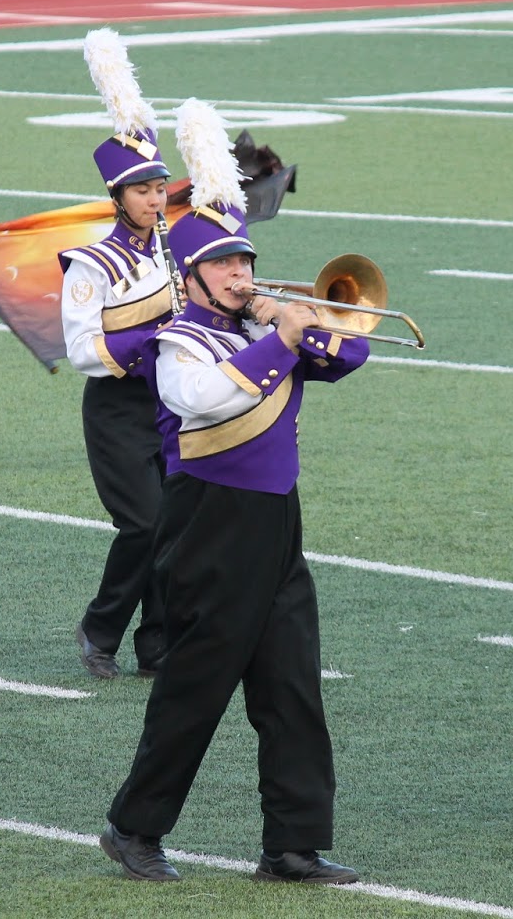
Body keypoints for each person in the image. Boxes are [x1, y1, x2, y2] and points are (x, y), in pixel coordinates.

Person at [99, 99, 364, 885]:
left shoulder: (260, 329)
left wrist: (306, 322)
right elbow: (205, 401)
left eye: (245, 263)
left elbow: (350, 361)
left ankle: (293, 843)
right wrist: (280, 339)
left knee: (292, 689)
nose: (243, 276)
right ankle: (133, 827)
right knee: (195, 690)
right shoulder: (178, 341)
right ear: (192, 276)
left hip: (277, 525)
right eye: (226, 266)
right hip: (209, 528)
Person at [60, 28, 175, 680]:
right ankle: (100, 627)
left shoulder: (172, 250)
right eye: (141, 190)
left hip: (173, 403)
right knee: (145, 525)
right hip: (117, 408)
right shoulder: (89, 264)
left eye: (159, 188)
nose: (154, 199)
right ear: (117, 197)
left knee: (175, 530)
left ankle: (155, 645)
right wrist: (158, 330)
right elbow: (85, 352)